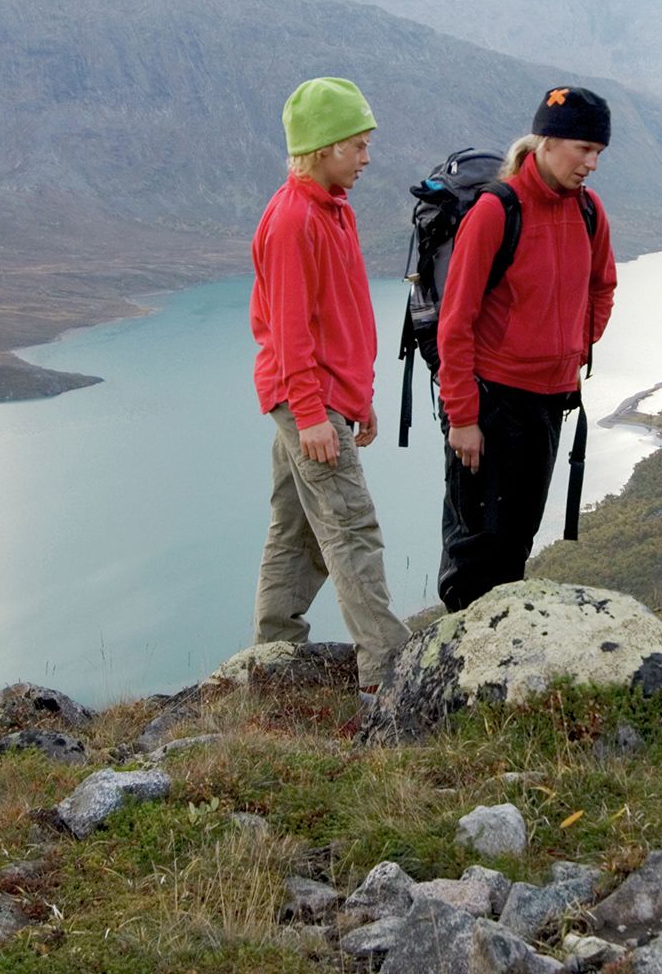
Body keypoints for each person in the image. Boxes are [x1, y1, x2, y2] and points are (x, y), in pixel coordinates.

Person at [249, 76, 410, 700]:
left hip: (327, 398)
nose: (367, 158)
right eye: (357, 145)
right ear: (322, 147)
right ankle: (386, 671)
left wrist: (359, 396)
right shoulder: (293, 220)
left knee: (295, 531)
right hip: (306, 402)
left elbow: (339, 315)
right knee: (351, 529)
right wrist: (314, 414)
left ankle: (272, 659)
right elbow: (289, 332)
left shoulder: (333, 209)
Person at [435, 86, 618, 611]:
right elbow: (456, 322)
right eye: (584, 149)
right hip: (493, 403)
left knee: (516, 540)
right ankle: (458, 669)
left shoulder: (589, 211)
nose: (592, 164)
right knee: (477, 545)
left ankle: (499, 658)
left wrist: (575, 345)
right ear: (548, 139)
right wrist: (463, 417)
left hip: (549, 402)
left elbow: (602, 285)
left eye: (599, 152)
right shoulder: (497, 210)